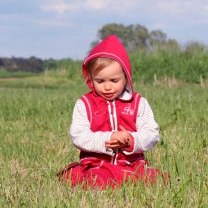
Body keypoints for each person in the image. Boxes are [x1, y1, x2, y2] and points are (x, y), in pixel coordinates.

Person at [58, 35, 163, 188]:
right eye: (100, 81)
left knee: (155, 180)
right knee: (96, 180)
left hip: (131, 165)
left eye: (114, 81)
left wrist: (130, 140)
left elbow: (152, 134)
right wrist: (109, 138)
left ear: (126, 78)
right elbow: (78, 136)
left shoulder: (138, 103)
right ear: (90, 79)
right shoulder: (85, 104)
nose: (107, 87)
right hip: (98, 164)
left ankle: (128, 178)